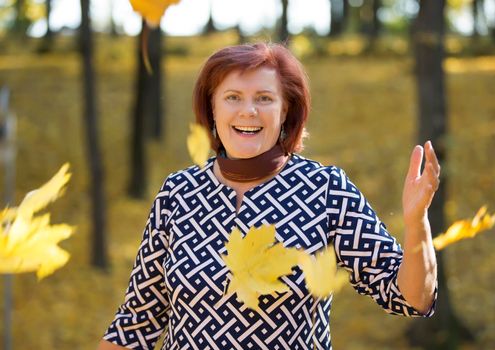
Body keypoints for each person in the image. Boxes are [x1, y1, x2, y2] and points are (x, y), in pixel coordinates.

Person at [97, 42, 439, 350]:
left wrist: (416, 223)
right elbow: (135, 325)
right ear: (212, 108)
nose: (249, 111)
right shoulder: (178, 193)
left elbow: (412, 298)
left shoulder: (325, 190)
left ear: (285, 110)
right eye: (233, 97)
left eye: (264, 98)